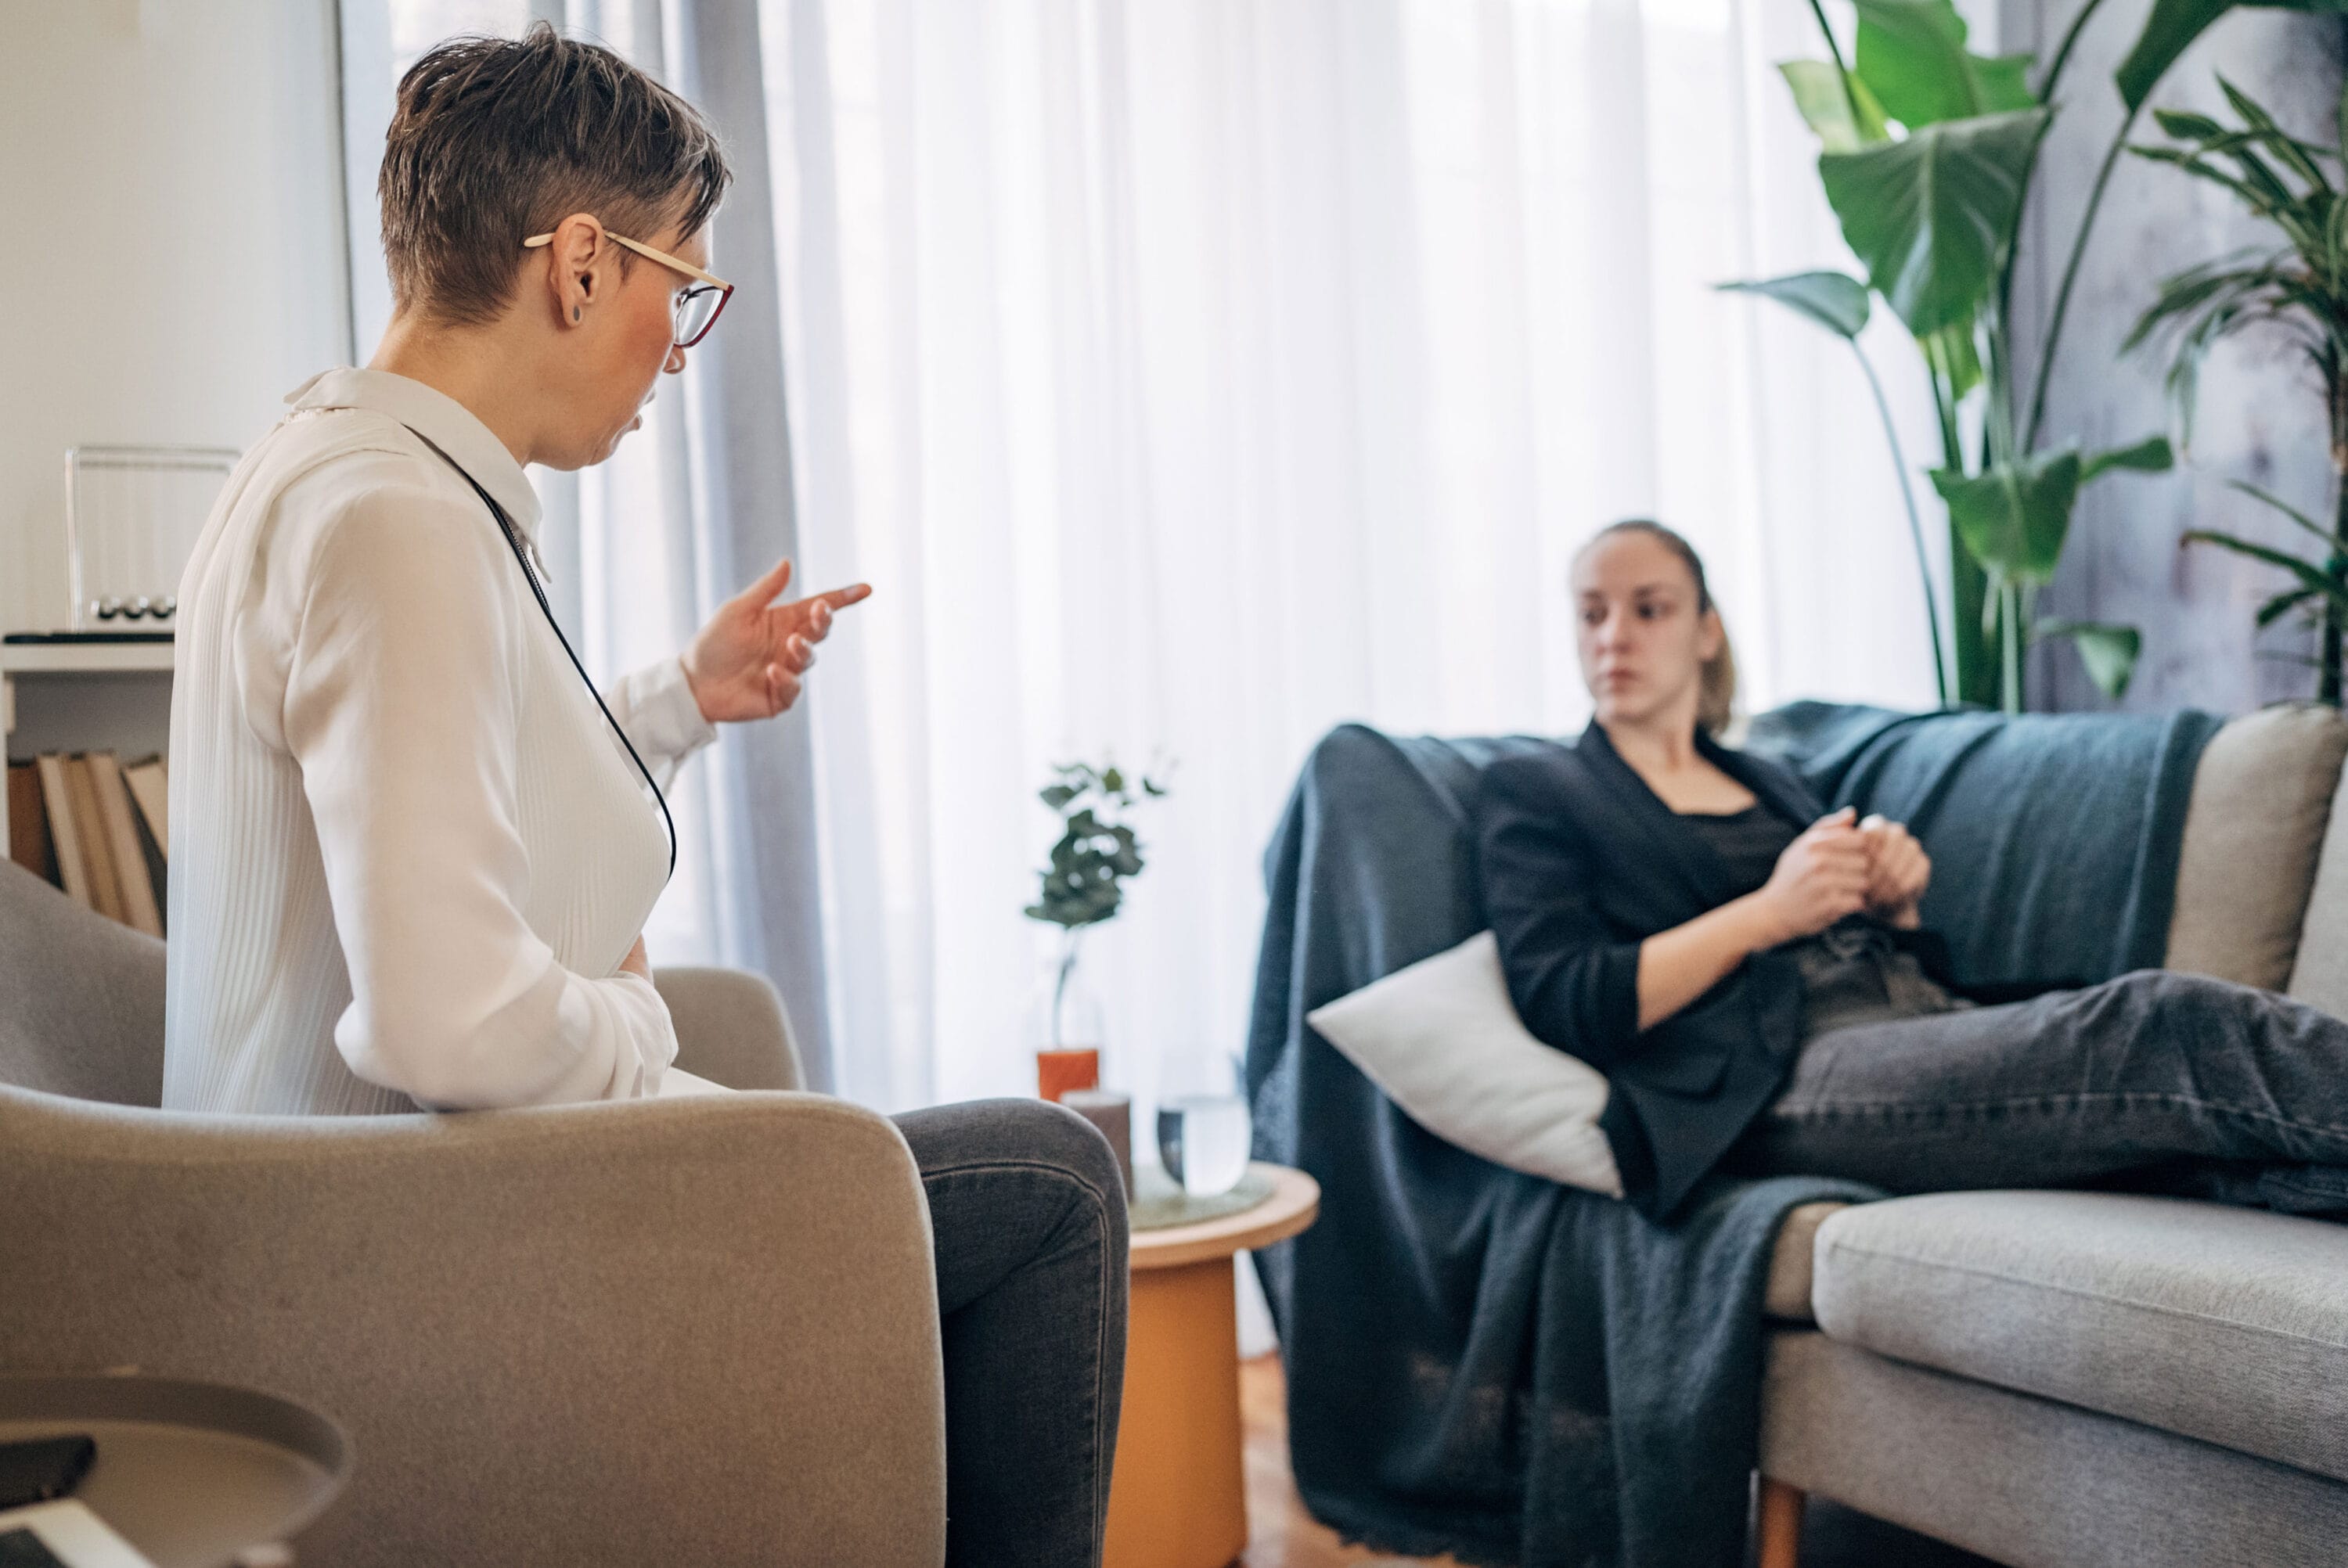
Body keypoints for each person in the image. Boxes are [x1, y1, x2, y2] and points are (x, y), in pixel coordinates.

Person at [160, 27, 1125, 1567]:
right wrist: (637, 1018)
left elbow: (461, 776)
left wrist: (681, 693)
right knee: (1050, 1182)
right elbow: (444, 1025)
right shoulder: (393, 518)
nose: (683, 351)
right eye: (689, 292)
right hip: (400, 1239)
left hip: (394, 1193)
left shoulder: (351, 471)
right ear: (586, 267)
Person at [1475, 517, 2348, 1222]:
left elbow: (1879, 956)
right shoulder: (1538, 789)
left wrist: (1893, 906)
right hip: (1774, 1076)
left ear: (1706, 630)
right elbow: (1568, 999)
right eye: (1592, 613)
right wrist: (1769, 912)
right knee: (2162, 1022)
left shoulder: (1771, 778)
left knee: (2223, 1157)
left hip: (1909, 1019)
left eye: (1648, 608)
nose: (1614, 635)